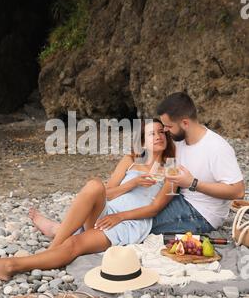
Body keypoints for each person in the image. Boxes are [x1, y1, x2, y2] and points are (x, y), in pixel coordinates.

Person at [0, 119, 177, 280]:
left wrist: (121, 217)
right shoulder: (130, 161)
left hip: (129, 222)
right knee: (95, 184)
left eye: (161, 132)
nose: (158, 136)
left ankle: (11, 265)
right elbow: (106, 193)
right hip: (107, 212)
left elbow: (155, 208)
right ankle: (53, 248)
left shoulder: (172, 170)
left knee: (75, 243)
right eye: (151, 133)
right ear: (142, 141)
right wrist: (132, 184)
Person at [95, 92, 245, 235]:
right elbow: (150, 151)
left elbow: (238, 192)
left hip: (201, 212)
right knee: (129, 211)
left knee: (137, 224)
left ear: (185, 123)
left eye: (168, 126)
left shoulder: (217, 148)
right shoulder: (178, 140)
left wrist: (192, 183)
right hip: (178, 198)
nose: (165, 130)